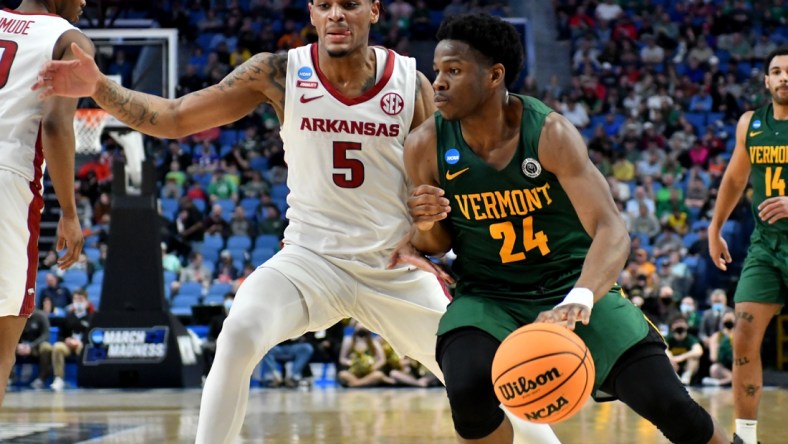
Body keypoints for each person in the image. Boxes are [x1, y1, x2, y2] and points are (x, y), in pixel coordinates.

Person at [32, 2, 558, 443]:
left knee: (491, 377)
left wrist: (439, 244)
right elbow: (175, 118)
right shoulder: (278, 72)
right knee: (238, 332)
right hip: (309, 261)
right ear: (311, 11)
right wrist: (98, 87)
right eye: (324, 4)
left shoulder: (412, 83)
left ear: (373, 9)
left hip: (392, 265)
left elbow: (445, 185)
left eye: (349, 3)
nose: (336, 14)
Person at [392, 13, 728, 444]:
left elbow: (611, 229)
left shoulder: (549, 133)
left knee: (674, 409)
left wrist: (581, 297)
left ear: (494, 75)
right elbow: (435, 246)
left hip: (570, 283)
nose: (437, 82)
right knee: (467, 390)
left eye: (453, 71)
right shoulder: (425, 145)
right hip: (488, 294)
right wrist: (425, 221)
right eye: (437, 71)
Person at [0, 1, 88, 406]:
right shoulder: (68, 39)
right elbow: (54, 124)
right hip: (8, 179)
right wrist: (69, 213)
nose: (85, 1)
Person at [708, 46, 788, 444]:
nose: (784, 77)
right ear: (766, 80)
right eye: (776, 71)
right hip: (766, 248)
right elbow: (736, 179)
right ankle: (745, 436)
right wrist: (714, 226)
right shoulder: (750, 124)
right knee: (742, 333)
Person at [49, 288, 93, 391]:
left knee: (84, 349)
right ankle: (59, 378)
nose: (78, 302)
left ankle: (86, 378)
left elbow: (93, 337)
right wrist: (66, 340)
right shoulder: (67, 317)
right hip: (68, 346)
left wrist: (80, 342)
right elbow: (60, 336)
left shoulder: (92, 318)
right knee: (57, 347)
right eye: (75, 299)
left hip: (82, 345)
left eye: (81, 299)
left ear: (86, 302)